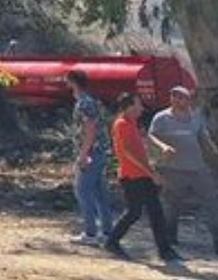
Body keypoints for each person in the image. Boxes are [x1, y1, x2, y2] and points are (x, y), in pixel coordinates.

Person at [104, 92, 181, 262]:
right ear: (129, 106)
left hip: (141, 174)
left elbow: (146, 136)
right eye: (138, 105)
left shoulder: (132, 122)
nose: (142, 108)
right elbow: (128, 152)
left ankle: (165, 251)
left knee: (153, 211)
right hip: (132, 176)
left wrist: (163, 147)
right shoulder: (121, 124)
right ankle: (112, 241)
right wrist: (151, 174)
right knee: (135, 212)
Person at [148, 85, 218, 254]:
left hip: (197, 168)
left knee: (212, 202)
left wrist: (215, 154)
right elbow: (151, 136)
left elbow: (204, 140)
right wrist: (163, 147)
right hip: (172, 170)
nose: (179, 100)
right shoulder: (161, 118)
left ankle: (217, 240)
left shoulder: (195, 117)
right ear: (171, 98)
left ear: (189, 99)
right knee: (172, 206)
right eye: (175, 96)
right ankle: (169, 238)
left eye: (182, 97)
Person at [66, 69, 113, 244]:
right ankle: (107, 231)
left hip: (91, 153)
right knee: (100, 192)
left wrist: (83, 154)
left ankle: (90, 232)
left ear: (72, 82)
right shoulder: (92, 101)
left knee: (82, 190)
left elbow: (90, 129)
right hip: (99, 152)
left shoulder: (84, 103)